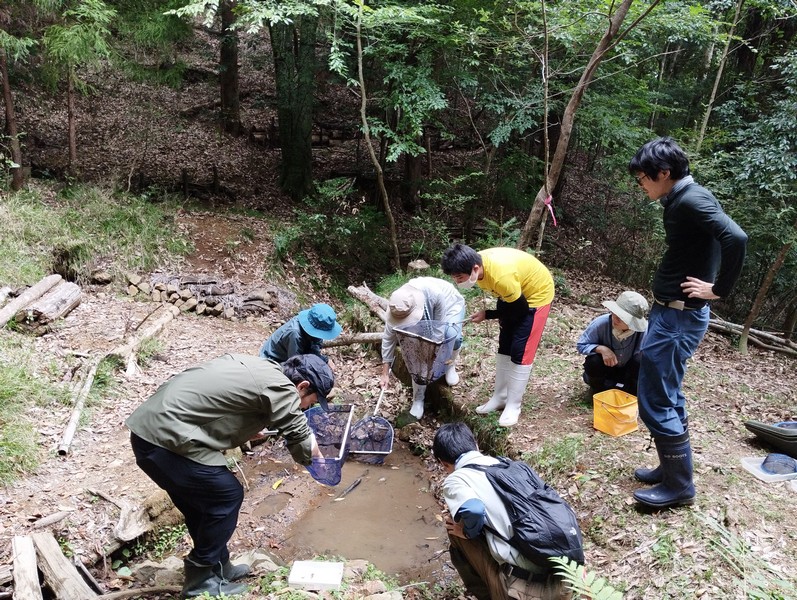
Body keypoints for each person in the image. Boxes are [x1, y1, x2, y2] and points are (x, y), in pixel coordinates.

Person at [126, 353, 334, 599]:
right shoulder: (284, 388)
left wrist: (246, 429)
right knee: (227, 495)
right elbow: (298, 430)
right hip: (165, 442)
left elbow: (219, 403)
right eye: (310, 401)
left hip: (149, 434)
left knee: (199, 506)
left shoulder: (265, 369)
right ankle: (199, 581)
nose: (308, 407)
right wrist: (319, 460)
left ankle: (218, 566)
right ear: (302, 387)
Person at [629, 137, 747, 509]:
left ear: (664, 173)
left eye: (644, 178)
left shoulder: (692, 199)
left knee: (655, 399)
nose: (641, 185)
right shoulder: (681, 198)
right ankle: (671, 469)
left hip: (679, 316)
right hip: (672, 312)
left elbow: (736, 237)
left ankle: (680, 486)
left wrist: (719, 290)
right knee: (668, 392)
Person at [433, 422, 571, 600]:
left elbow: (474, 509)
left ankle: (489, 594)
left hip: (521, 591)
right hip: (563, 582)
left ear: (444, 464)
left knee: (455, 526)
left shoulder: (457, 479)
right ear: (475, 445)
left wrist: (467, 532)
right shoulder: (510, 466)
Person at [441, 244, 555, 427]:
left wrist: (489, 314)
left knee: (520, 350)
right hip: (513, 294)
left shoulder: (501, 276)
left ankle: (513, 405)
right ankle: (500, 397)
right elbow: (509, 304)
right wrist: (492, 314)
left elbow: (521, 310)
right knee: (505, 346)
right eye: (454, 278)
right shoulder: (478, 267)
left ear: (475, 269)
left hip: (535, 296)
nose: (458, 282)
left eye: (460, 278)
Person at [380, 277, 466, 419]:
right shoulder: (397, 308)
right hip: (427, 313)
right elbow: (388, 339)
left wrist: (432, 358)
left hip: (449, 306)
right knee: (415, 352)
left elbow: (438, 334)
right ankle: (418, 399)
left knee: (453, 337)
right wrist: (385, 373)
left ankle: (450, 367)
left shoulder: (435, 295)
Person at [576, 291, 649, 396]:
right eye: (615, 313)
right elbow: (581, 345)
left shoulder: (644, 332)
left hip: (630, 373)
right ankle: (598, 392)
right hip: (606, 370)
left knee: (641, 361)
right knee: (593, 361)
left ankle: (631, 393)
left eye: (622, 317)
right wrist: (601, 349)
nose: (616, 318)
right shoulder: (601, 323)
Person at [259, 303, 342, 363]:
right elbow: (295, 363)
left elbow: (315, 346)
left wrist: (324, 360)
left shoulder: (315, 324)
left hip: (290, 355)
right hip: (272, 361)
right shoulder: (295, 334)